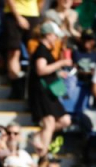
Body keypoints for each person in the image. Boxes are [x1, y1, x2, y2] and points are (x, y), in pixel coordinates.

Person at [27, 22, 71, 155]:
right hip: (41, 91)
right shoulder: (41, 50)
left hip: (49, 91)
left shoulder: (46, 51)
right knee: (49, 122)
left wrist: (57, 73)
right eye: (55, 36)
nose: (56, 39)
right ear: (49, 35)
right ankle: (43, 153)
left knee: (65, 120)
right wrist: (61, 63)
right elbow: (40, 70)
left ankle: (37, 136)